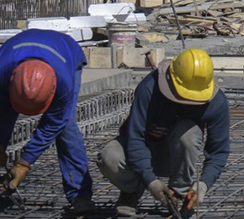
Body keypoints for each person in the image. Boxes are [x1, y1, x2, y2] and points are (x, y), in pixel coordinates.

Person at [0, 29, 93, 213]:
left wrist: (24, 163)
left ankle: (80, 195)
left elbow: (54, 123)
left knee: (66, 127)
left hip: (67, 50)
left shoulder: (63, 83)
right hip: (14, 59)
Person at [98, 48, 231, 219]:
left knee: (189, 134)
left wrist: (203, 185)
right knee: (109, 157)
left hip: (175, 159)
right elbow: (135, 138)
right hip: (138, 154)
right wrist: (150, 181)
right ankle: (131, 190)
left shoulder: (216, 103)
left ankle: (179, 196)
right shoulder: (149, 89)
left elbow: (218, 152)